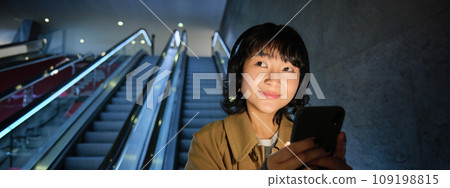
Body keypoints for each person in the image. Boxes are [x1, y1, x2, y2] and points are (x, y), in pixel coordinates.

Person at [185, 23, 352, 170]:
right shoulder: (208, 141)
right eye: (261, 64)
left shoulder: (310, 144)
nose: (274, 80)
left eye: (287, 69)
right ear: (239, 73)